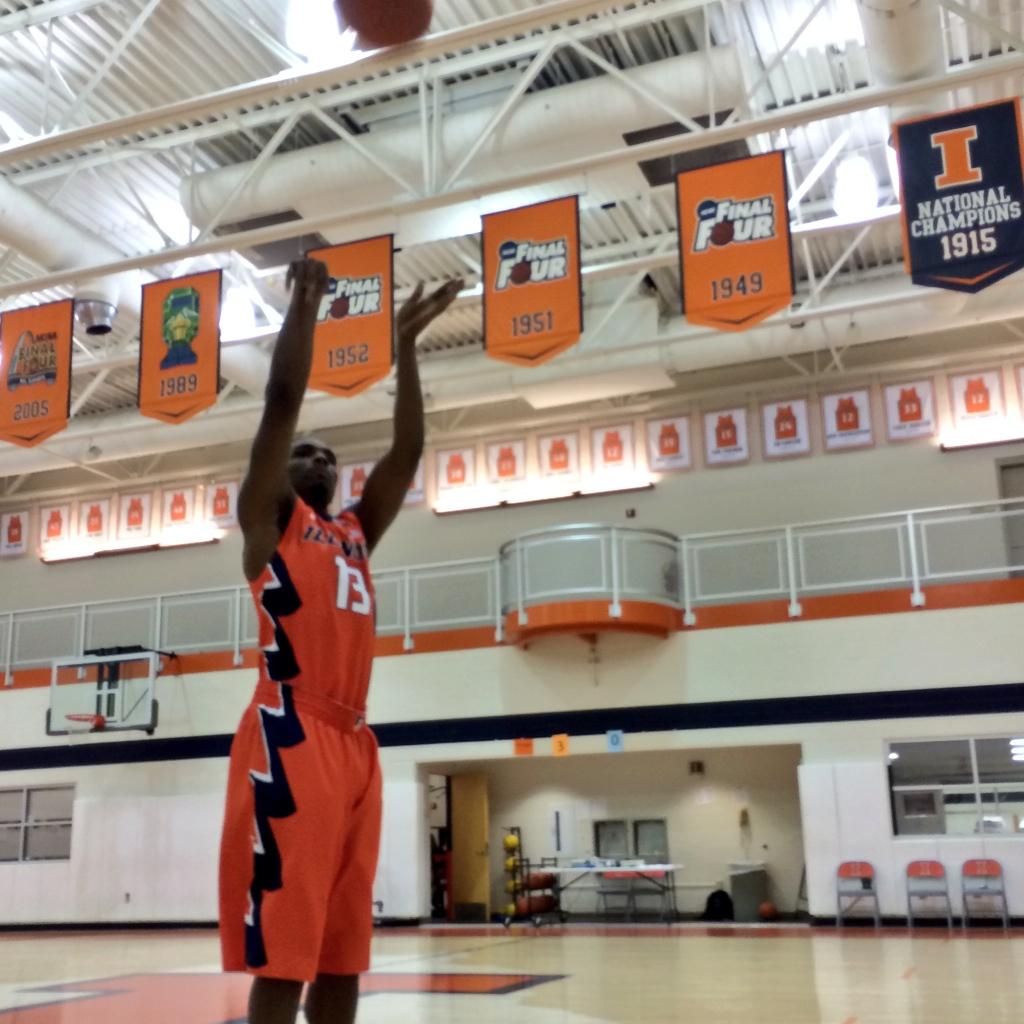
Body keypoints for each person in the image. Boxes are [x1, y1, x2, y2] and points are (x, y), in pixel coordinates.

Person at [219, 257, 462, 1024]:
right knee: (288, 946)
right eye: (305, 453)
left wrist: (406, 348)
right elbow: (282, 401)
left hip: (355, 742)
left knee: (342, 948)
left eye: (329, 456)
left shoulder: (354, 532)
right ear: (280, 471)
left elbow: (406, 456)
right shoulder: (271, 522)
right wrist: (305, 301)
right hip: (289, 731)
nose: (320, 460)